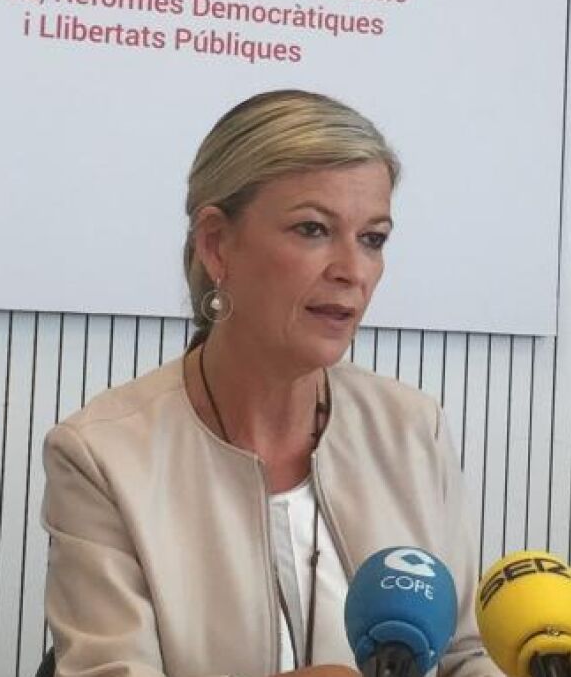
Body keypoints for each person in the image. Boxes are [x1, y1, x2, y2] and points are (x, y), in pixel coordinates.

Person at [41, 90, 502, 677]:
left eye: (373, 239)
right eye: (313, 229)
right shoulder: (102, 456)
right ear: (217, 244)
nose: (352, 271)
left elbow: (464, 654)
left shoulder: (411, 427)